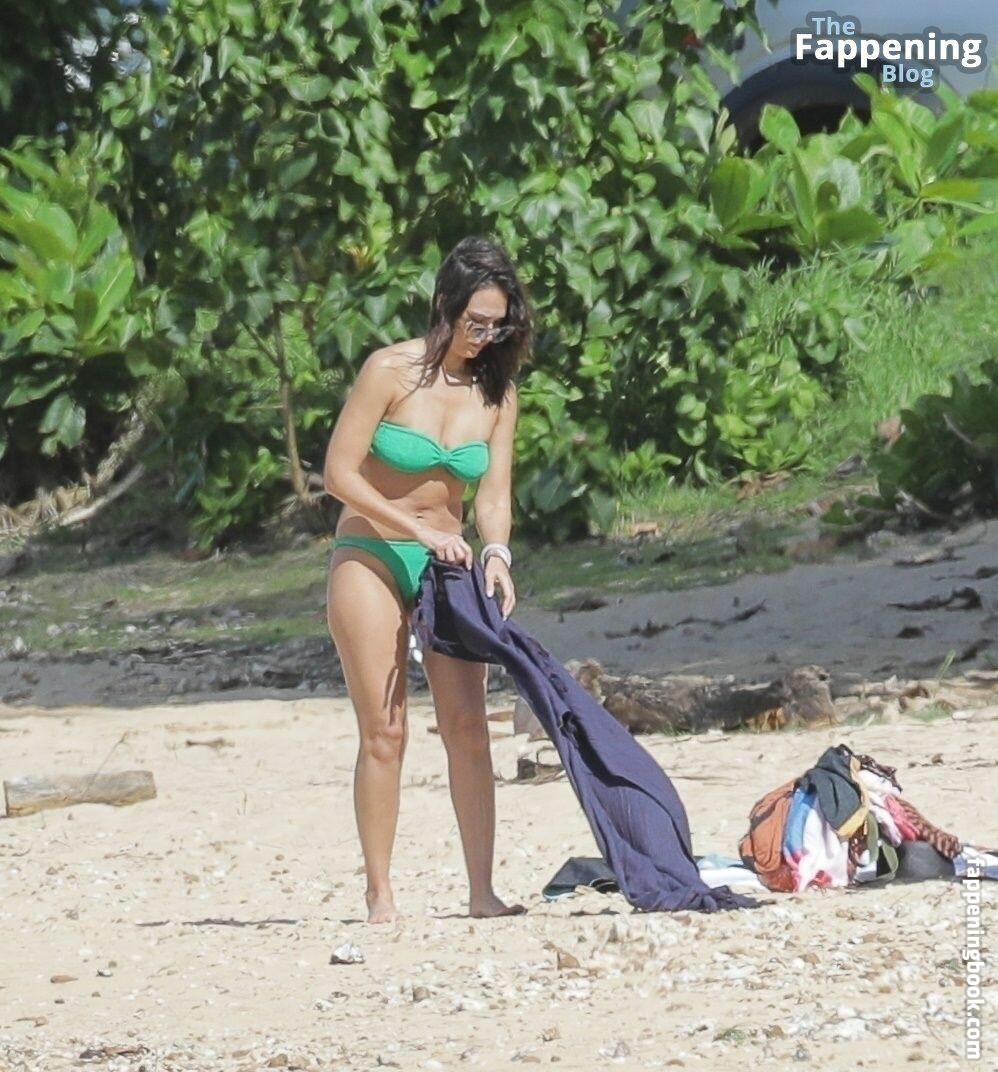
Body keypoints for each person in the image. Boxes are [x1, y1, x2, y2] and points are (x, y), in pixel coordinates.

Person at [323, 236, 534, 923]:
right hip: (374, 550)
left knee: (468, 725)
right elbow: (339, 474)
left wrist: (496, 552)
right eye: (475, 322)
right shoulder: (388, 370)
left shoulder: (496, 394)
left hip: (449, 562)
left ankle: (482, 891)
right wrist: (413, 530)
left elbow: (492, 494)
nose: (484, 337)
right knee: (385, 729)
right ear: (444, 304)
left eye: (496, 326)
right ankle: (380, 893)